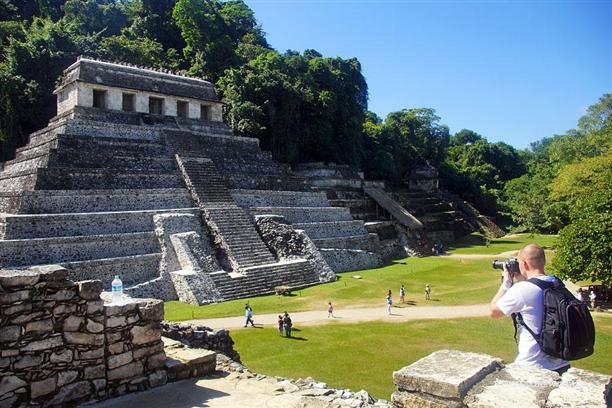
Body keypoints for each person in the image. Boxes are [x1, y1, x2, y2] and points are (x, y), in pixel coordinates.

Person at [489, 244, 570, 374]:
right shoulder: (556, 282)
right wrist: (522, 279)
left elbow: (494, 312)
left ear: (525, 264)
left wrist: (506, 283)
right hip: (562, 364)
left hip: (533, 366)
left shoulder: (522, 289)